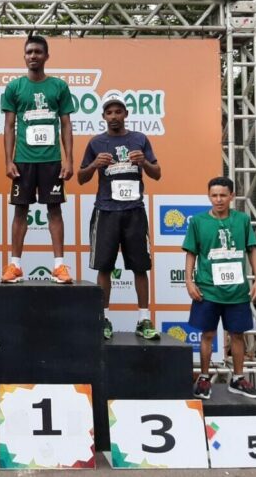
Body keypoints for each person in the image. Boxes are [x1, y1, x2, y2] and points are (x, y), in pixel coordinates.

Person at [78, 92, 162, 341]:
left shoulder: (139, 139)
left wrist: (144, 161)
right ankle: (102, 318)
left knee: (140, 267)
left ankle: (143, 319)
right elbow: (81, 178)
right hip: (106, 211)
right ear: (103, 116)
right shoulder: (96, 143)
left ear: (126, 114)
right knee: (104, 267)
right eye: (109, 112)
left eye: (118, 111)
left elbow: (157, 173)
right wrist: (94, 165)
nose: (114, 116)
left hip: (134, 211)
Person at [1, 35, 75, 284]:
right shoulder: (14, 87)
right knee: (20, 211)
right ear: (24, 56)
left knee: (55, 210)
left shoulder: (59, 87)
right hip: (23, 160)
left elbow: (66, 124)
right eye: (29, 52)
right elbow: (9, 126)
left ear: (46, 56)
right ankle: (15, 265)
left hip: (52, 160)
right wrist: (8, 161)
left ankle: (59, 266)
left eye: (38, 52)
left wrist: (69, 160)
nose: (33, 56)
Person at [183, 177, 256, 400]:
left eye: (223, 195)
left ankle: (238, 379)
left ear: (231, 197)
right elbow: (191, 252)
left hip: (237, 290)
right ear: (209, 196)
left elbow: (252, 250)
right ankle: (205, 378)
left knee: (238, 335)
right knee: (207, 334)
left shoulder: (243, 220)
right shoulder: (198, 221)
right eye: (214, 195)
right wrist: (189, 281)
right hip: (208, 289)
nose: (218, 199)